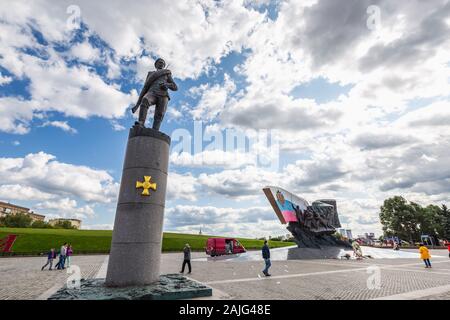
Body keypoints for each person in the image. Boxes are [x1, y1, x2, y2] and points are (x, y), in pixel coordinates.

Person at [132, 58, 178, 130]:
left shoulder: (167, 73)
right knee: (145, 100)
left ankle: (155, 130)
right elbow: (145, 88)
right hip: (152, 92)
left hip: (163, 95)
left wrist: (166, 85)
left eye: (163, 62)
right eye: (159, 62)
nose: (161, 63)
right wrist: (137, 105)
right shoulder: (150, 74)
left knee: (159, 114)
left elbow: (175, 87)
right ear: (156, 65)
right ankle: (141, 122)